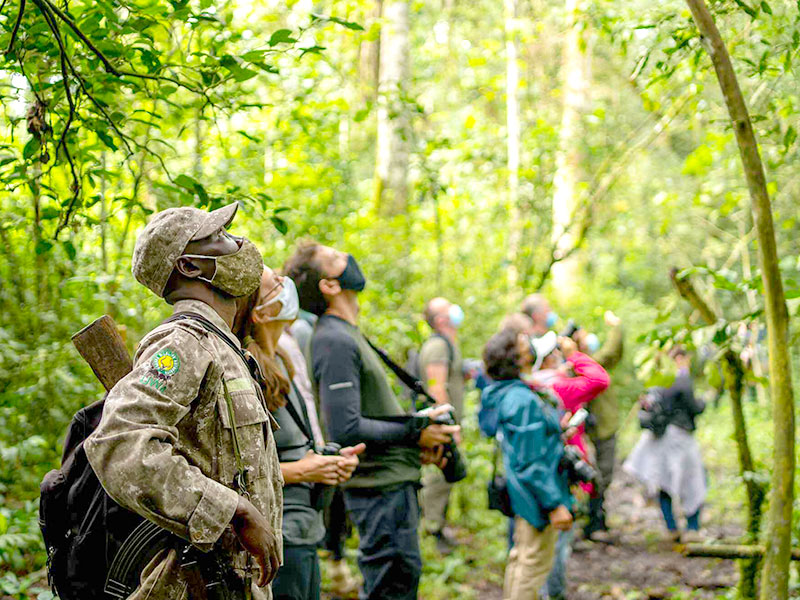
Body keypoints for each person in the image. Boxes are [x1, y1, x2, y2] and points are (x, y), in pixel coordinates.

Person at [84, 203, 283, 599]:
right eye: (222, 237)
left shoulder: (223, 347)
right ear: (191, 267)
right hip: (197, 584)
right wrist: (230, 511)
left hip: (236, 583)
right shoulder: (182, 343)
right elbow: (120, 441)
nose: (240, 244)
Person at [284, 241, 459, 600]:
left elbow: (370, 417)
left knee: (400, 581)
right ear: (329, 285)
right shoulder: (333, 339)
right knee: (390, 587)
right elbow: (345, 428)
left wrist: (419, 429)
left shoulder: (348, 334)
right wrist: (416, 432)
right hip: (378, 490)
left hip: (391, 485)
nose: (347, 258)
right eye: (336, 258)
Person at [235, 265, 367, 600]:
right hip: (279, 532)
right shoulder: (245, 368)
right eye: (274, 284)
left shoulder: (281, 356)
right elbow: (232, 472)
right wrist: (304, 470)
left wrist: (326, 462)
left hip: (305, 526)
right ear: (260, 311)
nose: (286, 284)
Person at [481, 328, 574, 600]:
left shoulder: (511, 392)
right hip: (535, 496)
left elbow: (528, 445)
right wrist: (554, 504)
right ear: (512, 357)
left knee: (521, 559)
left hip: (525, 493)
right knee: (533, 565)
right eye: (522, 343)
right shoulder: (520, 400)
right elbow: (530, 463)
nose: (529, 346)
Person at [527, 331, 609, 600]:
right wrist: (574, 355)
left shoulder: (529, 386)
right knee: (558, 541)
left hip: (530, 472)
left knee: (534, 540)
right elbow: (599, 379)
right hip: (561, 472)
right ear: (550, 359)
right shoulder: (561, 387)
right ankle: (554, 594)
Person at [624, 347, 707, 543]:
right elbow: (694, 407)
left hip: (661, 439)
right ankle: (692, 527)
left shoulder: (656, 381)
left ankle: (671, 527)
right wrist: (703, 402)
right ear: (679, 359)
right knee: (692, 480)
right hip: (680, 437)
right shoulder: (681, 379)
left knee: (664, 481)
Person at [418, 297, 468, 553]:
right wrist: (450, 428)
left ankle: (438, 527)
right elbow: (437, 389)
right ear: (440, 320)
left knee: (446, 477)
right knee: (438, 478)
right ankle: (431, 529)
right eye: (450, 309)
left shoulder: (447, 345)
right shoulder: (438, 346)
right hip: (441, 425)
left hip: (447, 424)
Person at [578, 311, 624, 540]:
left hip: (602, 426)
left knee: (602, 473)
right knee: (599, 473)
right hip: (598, 430)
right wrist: (616, 325)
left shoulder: (590, 364)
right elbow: (613, 349)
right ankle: (593, 521)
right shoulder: (586, 365)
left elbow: (614, 355)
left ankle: (596, 518)